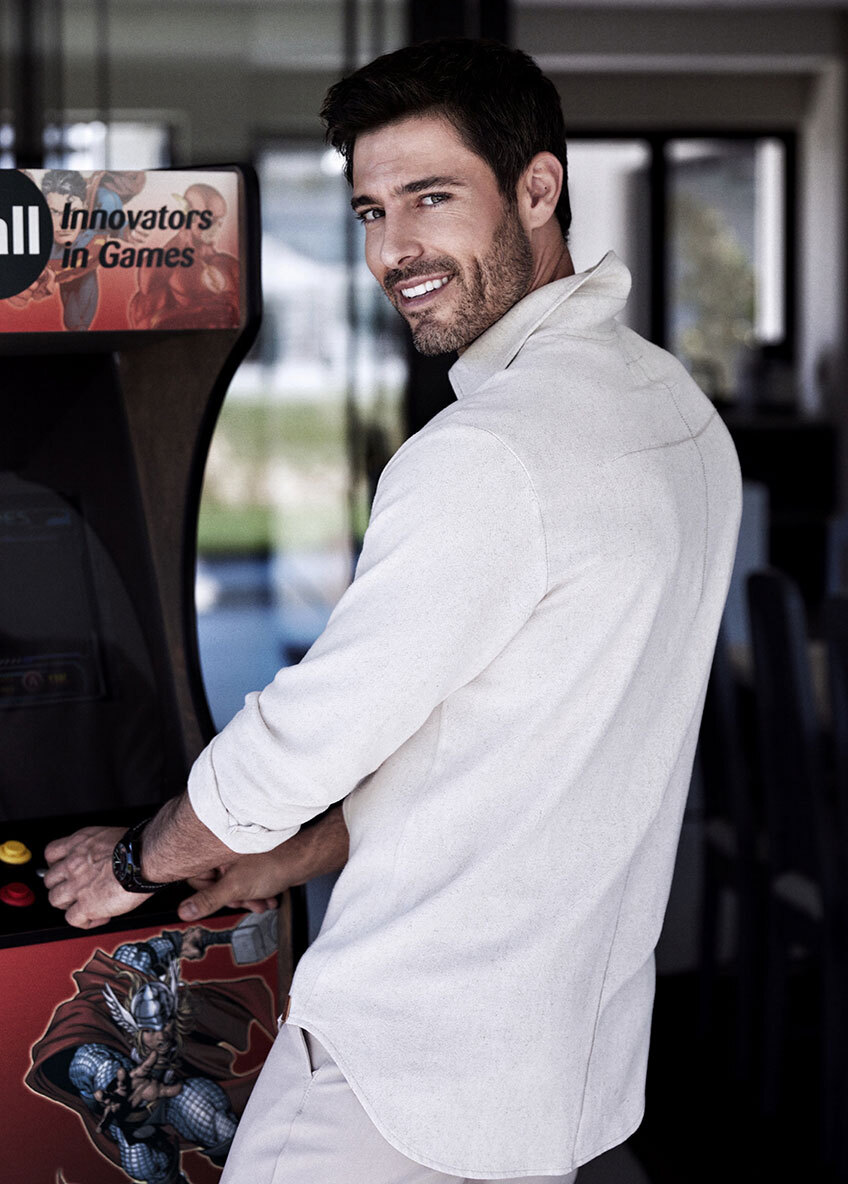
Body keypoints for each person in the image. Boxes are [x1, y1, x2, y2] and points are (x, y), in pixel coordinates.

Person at [43, 38, 742, 1184]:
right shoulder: (674, 411)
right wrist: (300, 852)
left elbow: (302, 739)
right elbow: (508, 753)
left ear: (537, 187)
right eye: (371, 210)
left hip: (399, 1071)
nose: (391, 249)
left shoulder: (491, 452)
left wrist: (134, 857)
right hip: (549, 1077)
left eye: (430, 197)